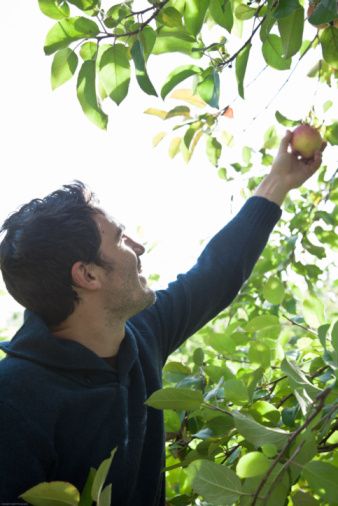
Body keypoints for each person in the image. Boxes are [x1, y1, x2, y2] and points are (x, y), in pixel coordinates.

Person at [0, 131, 324, 504]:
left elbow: (215, 275)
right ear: (88, 275)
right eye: (121, 239)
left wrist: (279, 181)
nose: (138, 247)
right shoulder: (13, 402)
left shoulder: (139, 336)